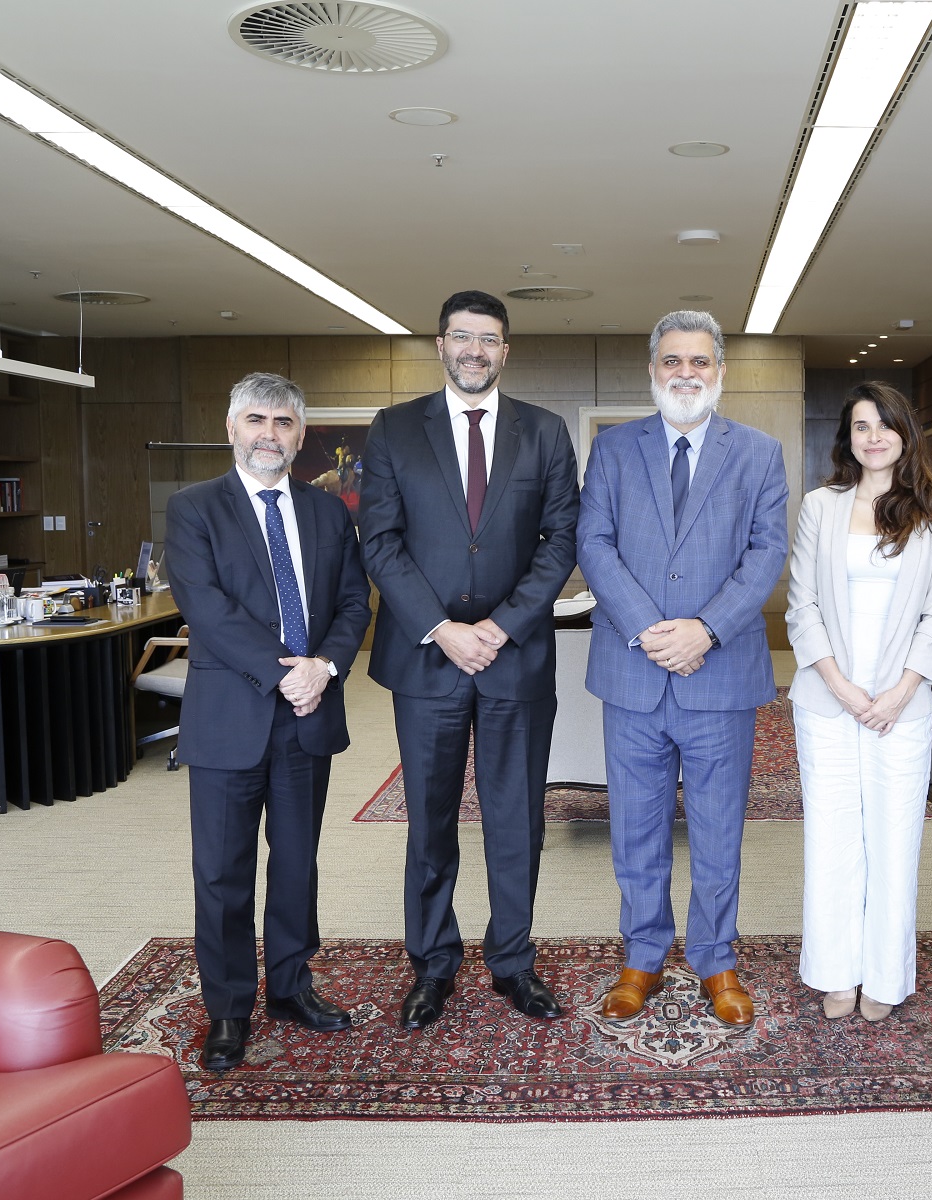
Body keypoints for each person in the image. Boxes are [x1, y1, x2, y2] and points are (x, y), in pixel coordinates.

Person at [358, 290, 579, 1030]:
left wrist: (501, 626)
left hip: (514, 659)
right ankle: (433, 963)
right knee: (430, 819)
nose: (474, 350)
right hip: (427, 661)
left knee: (517, 819)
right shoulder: (392, 430)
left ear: (505, 350)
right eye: (462, 336)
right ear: (441, 343)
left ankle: (513, 962)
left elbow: (560, 543)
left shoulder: (544, 433)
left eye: (489, 339)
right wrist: (443, 629)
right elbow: (380, 543)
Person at [577, 310, 788, 1027]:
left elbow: (766, 554)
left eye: (700, 361)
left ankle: (716, 960)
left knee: (718, 827)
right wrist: (648, 628)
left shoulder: (759, 453)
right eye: (673, 361)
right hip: (633, 674)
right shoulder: (613, 449)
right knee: (634, 827)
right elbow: (594, 542)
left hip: (719, 674)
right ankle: (642, 956)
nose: (686, 374)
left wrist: (705, 629)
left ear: (720, 371)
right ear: (652, 370)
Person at [164, 371, 372, 1073]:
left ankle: (289, 986)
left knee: (295, 863)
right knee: (222, 873)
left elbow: (353, 604)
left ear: (301, 435)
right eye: (256, 420)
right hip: (231, 716)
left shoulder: (327, 512)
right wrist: (287, 672)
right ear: (232, 429)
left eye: (283, 423)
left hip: (307, 715)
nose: (268, 435)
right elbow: (207, 609)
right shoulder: (195, 508)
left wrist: (325, 667)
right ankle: (227, 1008)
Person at [786, 382, 932, 1023]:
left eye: (885, 425)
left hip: (901, 704)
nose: (874, 437)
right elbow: (800, 607)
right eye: (861, 426)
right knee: (831, 839)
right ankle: (835, 972)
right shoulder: (820, 507)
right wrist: (842, 686)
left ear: (906, 434)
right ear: (848, 439)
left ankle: (885, 974)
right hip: (828, 698)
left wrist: (901, 690)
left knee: (893, 840)